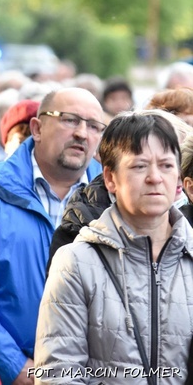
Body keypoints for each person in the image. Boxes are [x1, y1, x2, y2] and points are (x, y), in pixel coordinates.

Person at [0, 87, 105, 385]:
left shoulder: (113, 195)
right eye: (70, 120)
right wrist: (15, 367)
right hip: (0, 373)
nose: (82, 133)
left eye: (94, 126)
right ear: (37, 128)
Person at [34, 113, 193, 383]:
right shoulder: (76, 262)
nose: (155, 177)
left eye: (166, 166)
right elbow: (58, 373)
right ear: (110, 178)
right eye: (140, 166)